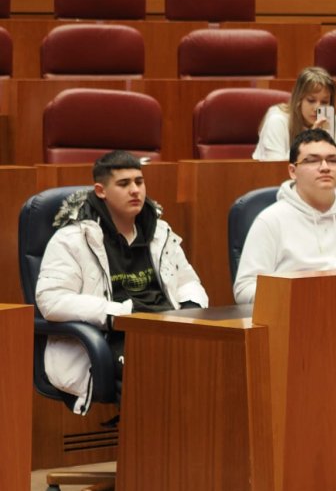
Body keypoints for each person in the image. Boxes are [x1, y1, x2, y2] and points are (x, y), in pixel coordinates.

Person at [36, 150, 209, 414]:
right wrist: (117, 313)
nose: (135, 191)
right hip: (113, 334)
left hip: (166, 327)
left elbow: (188, 282)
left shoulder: (159, 232)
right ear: (100, 190)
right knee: (156, 375)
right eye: (124, 184)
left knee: (220, 366)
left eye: (139, 182)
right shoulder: (73, 239)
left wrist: (188, 310)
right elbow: (51, 300)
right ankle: (156, 451)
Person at [234, 129, 336, 304]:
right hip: (295, 316)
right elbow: (244, 288)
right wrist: (299, 295)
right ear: (293, 171)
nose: (325, 167)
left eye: (332, 160)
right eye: (312, 160)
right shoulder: (271, 220)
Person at [252, 66, 336, 161]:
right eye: (311, 100)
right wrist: (308, 139)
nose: (317, 108)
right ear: (298, 100)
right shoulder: (277, 121)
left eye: (324, 102)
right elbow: (276, 168)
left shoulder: (332, 120)